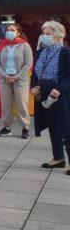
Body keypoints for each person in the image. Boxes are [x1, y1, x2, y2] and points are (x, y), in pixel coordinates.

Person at [32, 22, 70, 171]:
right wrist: (34, 86)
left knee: (65, 127)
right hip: (43, 91)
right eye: (43, 33)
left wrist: (59, 89)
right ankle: (58, 158)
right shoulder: (41, 52)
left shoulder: (65, 52)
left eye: (48, 34)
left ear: (57, 35)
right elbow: (36, 72)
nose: (44, 36)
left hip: (60, 93)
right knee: (52, 126)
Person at [0, 23, 33, 139]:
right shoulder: (2, 45)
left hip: (20, 79)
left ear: (18, 32)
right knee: (5, 104)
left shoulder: (24, 45)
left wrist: (16, 76)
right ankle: (6, 127)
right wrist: (5, 75)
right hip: (4, 79)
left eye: (12, 30)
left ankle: (25, 128)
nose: (9, 32)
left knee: (22, 103)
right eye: (8, 30)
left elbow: (28, 64)